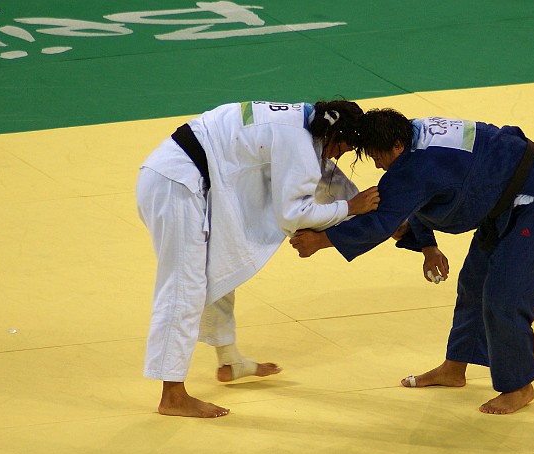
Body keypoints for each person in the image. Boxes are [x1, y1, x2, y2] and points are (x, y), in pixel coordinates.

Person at [290, 108, 534, 414]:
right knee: (473, 285)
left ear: (397, 146)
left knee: (503, 297)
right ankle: (455, 368)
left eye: (378, 157)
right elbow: (423, 194)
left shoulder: (414, 167)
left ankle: (520, 386)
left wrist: (321, 241)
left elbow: (383, 220)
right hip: (503, 203)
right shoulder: (412, 135)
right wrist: (427, 246)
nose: (378, 165)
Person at [136, 100, 379, 418]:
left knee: (216, 265)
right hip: (177, 186)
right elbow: (293, 215)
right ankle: (172, 396)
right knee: (185, 286)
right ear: (334, 135)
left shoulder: (304, 119)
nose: (338, 156)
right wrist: (352, 208)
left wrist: (383, 218)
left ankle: (229, 360)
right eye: (342, 149)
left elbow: (326, 177)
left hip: (181, 175)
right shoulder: (301, 144)